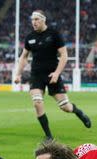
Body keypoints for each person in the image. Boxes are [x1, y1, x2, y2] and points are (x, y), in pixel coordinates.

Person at [14, 10, 91, 140]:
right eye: (32, 19)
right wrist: (17, 74)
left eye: (37, 19)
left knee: (65, 107)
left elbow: (64, 55)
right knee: (37, 102)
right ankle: (48, 136)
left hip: (52, 74)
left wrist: (56, 73)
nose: (34, 22)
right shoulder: (30, 37)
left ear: (44, 20)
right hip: (36, 75)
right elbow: (24, 57)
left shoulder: (54, 34)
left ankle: (78, 112)